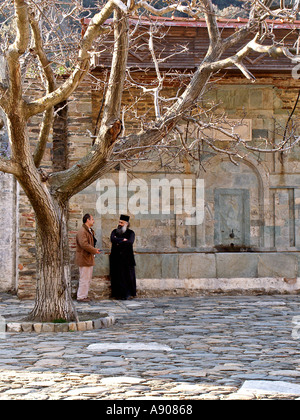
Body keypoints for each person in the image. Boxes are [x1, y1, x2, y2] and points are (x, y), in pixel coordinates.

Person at [109, 215, 136, 300]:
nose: (119, 224)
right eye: (119, 222)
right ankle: (117, 294)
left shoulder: (131, 233)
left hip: (127, 259)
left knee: (127, 277)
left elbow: (130, 242)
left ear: (126, 224)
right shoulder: (114, 231)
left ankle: (126, 294)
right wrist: (123, 240)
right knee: (117, 277)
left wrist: (118, 240)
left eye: (122, 222)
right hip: (116, 259)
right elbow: (112, 239)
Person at [75, 213, 101, 302]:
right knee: (84, 278)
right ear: (87, 220)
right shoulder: (82, 231)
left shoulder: (89, 230)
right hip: (84, 258)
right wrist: (94, 250)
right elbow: (84, 244)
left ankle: (84, 296)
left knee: (87, 278)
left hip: (88, 258)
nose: (93, 221)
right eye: (92, 219)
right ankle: (81, 297)